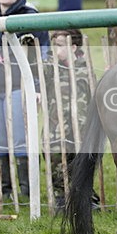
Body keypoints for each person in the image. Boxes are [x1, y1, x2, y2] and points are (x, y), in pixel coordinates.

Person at [0, 0, 49, 200]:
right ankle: (6, 190)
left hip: (20, 86)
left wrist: (38, 87)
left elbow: (43, 56)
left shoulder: (31, 18)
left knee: (20, 140)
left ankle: (27, 190)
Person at [44, 28, 92, 210]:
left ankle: (84, 195)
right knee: (57, 156)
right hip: (57, 124)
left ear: (73, 47)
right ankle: (61, 196)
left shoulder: (85, 68)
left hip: (81, 125)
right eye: (54, 45)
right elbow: (35, 69)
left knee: (82, 159)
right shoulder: (50, 66)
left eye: (60, 46)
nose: (56, 50)